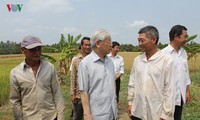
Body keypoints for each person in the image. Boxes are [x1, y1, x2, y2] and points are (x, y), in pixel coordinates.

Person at [9, 35, 65, 120]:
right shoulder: (15, 73)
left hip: (50, 116)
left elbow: (57, 93)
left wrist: (61, 116)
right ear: (23, 50)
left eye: (39, 49)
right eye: (32, 50)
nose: (37, 52)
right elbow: (15, 100)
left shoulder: (49, 68)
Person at [127, 26, 175, 120]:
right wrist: (130, 103)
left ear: (153, 40)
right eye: (138, 40)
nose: (139, 44)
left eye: (142, 40)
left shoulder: (166, 60)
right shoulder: (137, 60)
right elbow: (132, 83)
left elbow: (170, 89)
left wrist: (166, 114)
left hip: (156, 113)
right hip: (138, 111)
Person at [78, 29, 118, 120]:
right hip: (97, 114)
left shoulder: (110, 62)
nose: (111, 45)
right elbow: (84, 91)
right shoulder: (85, 64)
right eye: (108, 42)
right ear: (98, 43)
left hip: (112, 112)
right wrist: (87, 114)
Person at [162, 25, 191, 120]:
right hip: (166, 97)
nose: (186, 39)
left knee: (177, 117)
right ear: (176, 36)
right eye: (185, 36)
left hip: (180, 95)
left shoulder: (183, 53)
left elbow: (185, 73)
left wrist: (187, 91)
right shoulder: (163, 54)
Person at [70, 37, 91, 120]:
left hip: (91, 95)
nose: (88, 47)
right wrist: (72, 94)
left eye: (89, 45)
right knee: (77, 117)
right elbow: (73, 78)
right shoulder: (76, 60)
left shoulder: (94, 60)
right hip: (78, 95)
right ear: (81, 46)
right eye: (86, 45)